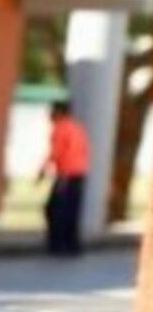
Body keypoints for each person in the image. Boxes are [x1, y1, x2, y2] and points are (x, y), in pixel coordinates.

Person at [41, 100, 90, 259]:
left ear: (59, 113)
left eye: (52, 111)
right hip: (79, 174)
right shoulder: (77, 128)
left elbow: (57, 153)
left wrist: (42, 170)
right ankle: (72, 245)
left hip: (66, 175)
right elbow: (83, 151)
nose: (50, 115)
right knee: (72, 211)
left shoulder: (60, 128)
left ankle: (57, 244)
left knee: (55, 210)